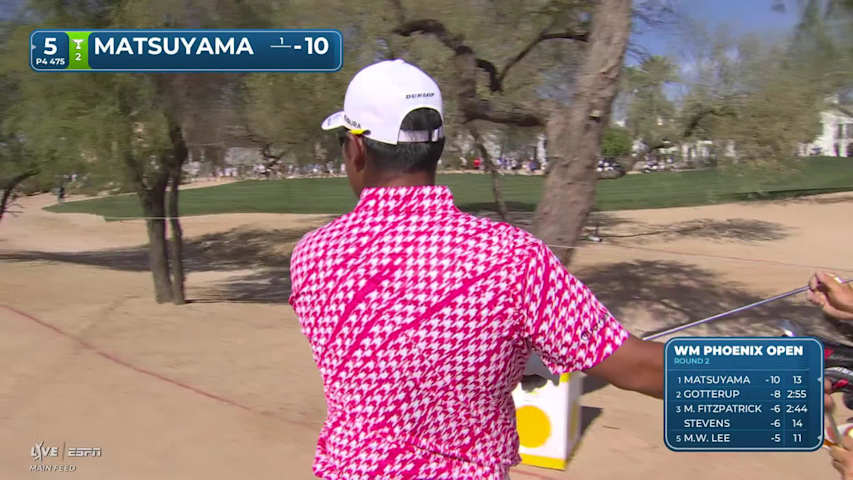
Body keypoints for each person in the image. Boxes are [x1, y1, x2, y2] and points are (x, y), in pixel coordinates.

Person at [288, 59, 664, 480]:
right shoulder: (513, 258)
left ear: (356, 148)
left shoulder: (312, 256)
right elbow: (640, 368)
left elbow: (389, 355)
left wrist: (497, 355)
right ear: (438, 146)